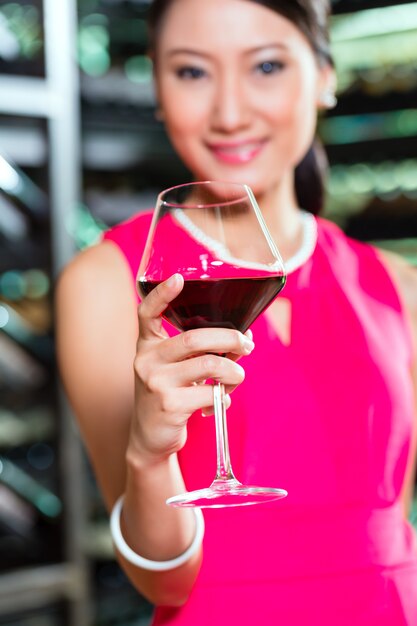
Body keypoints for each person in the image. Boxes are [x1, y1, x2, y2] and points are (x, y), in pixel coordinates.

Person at [55, 0, 417, 623]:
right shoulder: (105, 281)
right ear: (159, 90)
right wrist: (147, 453)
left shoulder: (398, 285)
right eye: (193, 72)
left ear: (326, 75)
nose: (228, 113)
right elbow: (160, 585)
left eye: (267, 66)